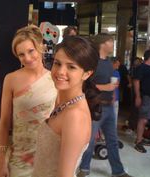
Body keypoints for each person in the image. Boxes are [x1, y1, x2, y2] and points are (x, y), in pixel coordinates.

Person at [32, 36, 101, 177]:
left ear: (87, 74)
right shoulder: (63, 102)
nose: (60, 72)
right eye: (57, 63)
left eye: (71, 67)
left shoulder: (75, 116)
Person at [0, 25, 57, 177]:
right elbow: (4, 123)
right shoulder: (11, 79)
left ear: (40, 47)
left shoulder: (55, 78)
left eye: (31, 51)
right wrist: (1, 160)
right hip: (20, 156)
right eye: (21, 55)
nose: (27, 58)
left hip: (48, 154)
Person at [76, 33, 133, 177]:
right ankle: (84, 169)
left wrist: (112, 90)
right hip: (96, 106)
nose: (113, 44)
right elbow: (85, 84)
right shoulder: (92, 62)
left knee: (112, 140)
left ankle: (117, 171)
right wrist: (105, 87)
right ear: (103, 44)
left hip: (109, 106)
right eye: (111, 41)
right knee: (89, 140)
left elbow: (109, 83)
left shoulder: (108, 62)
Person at [133, 49, 150, 153]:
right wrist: (138, 96)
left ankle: (140, 138)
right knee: (143, 119)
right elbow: (136, 82)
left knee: (146, 119)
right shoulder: (142, 67)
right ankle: (138, 141)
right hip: (146, 96)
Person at [111, 57, 121, 125]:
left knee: (114, 117)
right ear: (112, 63)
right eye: (116, 65)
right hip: (108, 97)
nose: (117, 67)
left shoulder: (117, 72)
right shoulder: (106, 72)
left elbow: (117, 84)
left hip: (115, 98)